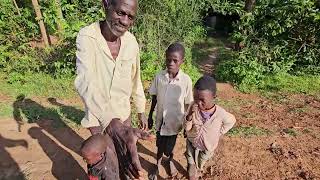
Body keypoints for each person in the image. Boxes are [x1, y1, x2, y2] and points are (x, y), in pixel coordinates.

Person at [75, 0, 150, 178]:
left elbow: (135, 79)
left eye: (130, 17)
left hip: (123, 117)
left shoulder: (131, 43)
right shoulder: (87, 37)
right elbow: (85, 81)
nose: (125, 21)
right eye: (120, 13)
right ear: (106, 4)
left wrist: (141, 109)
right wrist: (110, 121)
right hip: (99, 118)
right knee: (107, 168)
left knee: (126, 165)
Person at [148, 43, 194, 179]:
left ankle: (169, 160)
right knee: (159, 144)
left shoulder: (185, 80)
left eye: (175, 60)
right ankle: (157, 163)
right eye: (168, 59)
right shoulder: (159, 77)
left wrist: (187, 125)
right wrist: (150, 116)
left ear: (182, 61)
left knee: (170, 145)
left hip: (175, 122)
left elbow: (188, 105)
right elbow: (154, 97)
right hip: (160, 120)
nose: (171, 63)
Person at [184, 76, 236, 180]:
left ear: (214, 97)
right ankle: (191, 168)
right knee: (191, 161)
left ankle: (199, 167)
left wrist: (219, 132)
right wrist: (189, 115)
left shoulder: (220, 114)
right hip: (192, 141)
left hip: (208, 146)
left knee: (201, 161)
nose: (198, 103)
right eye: (195, 98)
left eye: (202, 100)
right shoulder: (192, 106)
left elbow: (231, 121)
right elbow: (187, 128)